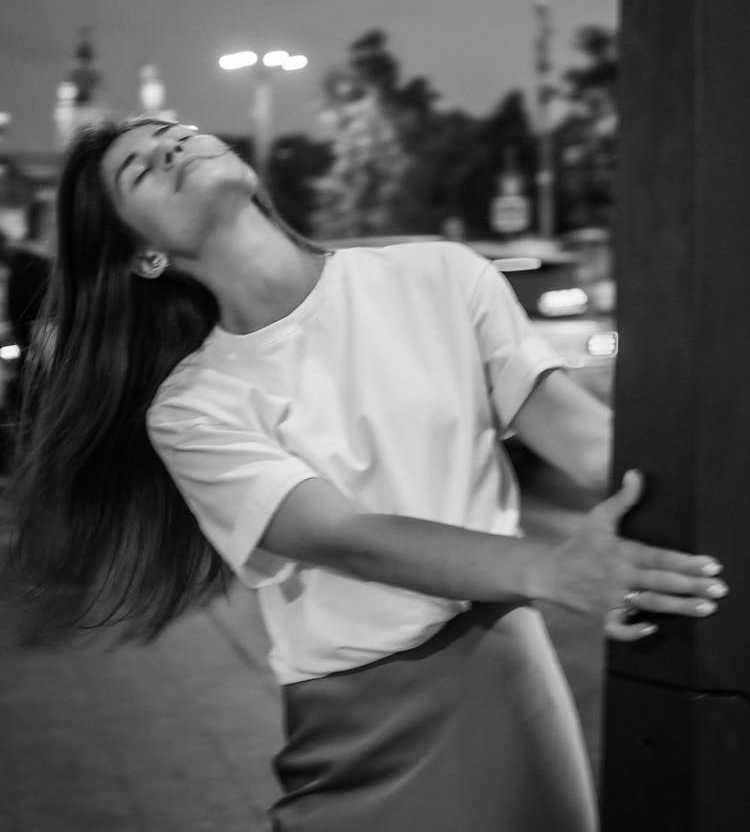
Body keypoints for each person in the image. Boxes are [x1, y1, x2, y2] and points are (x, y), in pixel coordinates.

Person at [10, 117, 728, 832]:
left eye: (176, 132)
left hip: (503, 673)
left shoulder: (439, 275)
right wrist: (555, 570)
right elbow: (348, 537)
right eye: (139, 169)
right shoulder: (194, 406)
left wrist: (707, 493)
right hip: (355, 721)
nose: (170, 147)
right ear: (144, 256)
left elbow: (586, 440)